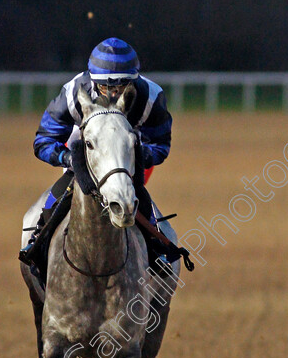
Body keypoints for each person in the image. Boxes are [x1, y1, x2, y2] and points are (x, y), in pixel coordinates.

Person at [20, 37, 180, 275]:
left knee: (140, 200)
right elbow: (44, 140)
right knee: (56, 197)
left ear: (133, 81)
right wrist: (68, 159)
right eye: (107, 87)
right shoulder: (73, 92)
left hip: (124, 160)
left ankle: (156, 251)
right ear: (94, 81)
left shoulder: (151, 96)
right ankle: (38, 244)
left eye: (122, 86)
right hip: (85, 151)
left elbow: (160, 144)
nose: (114, 93)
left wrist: (137, 155)